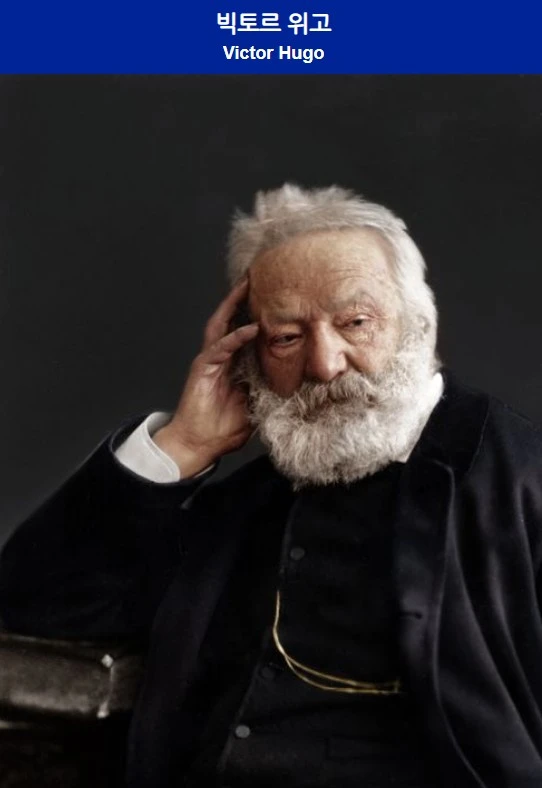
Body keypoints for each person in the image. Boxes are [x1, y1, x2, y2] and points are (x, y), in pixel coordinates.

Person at [1, 184, 542, 788]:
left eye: (355, 323)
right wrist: (184, 444)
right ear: (248, 356)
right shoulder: (243, 506)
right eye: (286, 337)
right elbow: (35, 603)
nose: (325, 364)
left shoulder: (522, 482)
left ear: (419, 325)